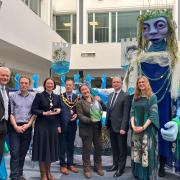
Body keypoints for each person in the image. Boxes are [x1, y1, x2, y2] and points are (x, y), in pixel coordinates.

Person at [123, 9, 180, 176]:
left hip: (165, 103)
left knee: (162, 131)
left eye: (160, 25)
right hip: (141, 104)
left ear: (170, 28)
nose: (153, 32)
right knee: (141, 136)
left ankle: (161, 163)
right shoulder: (138, 59)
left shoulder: (175, 60)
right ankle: (141, 166)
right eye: (146, 28)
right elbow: (131, 88)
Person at [31, 78, 63, 180]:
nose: (50, 85)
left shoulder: (57, 97)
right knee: (42, 150)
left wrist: (60, 110)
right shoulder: (39, 96)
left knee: (49, 150)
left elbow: (60, 112)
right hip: (41, 126)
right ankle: (43, 174)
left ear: (54, 86)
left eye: (52, 83)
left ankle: (49, 172)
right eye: (48, 83)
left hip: (53, 127)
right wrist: (44, 113)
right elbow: (33, 109)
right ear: (44, 85)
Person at [131, 76, 159, 180]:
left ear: (147, 83)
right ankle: (139, 174)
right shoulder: (135, 97)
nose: (141, 84)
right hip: (136, 130)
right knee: (137, 152)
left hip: (147, 130)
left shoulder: (152, 97)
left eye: (143, 82)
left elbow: (153, 115)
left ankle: (146, 176)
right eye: (139, 83)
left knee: (146, 152)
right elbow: (132, 112)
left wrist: (143, 127)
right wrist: (134, 126)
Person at [76, 84, 106, 179]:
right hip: (86, 129)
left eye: (86, 89)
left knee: (98, 148)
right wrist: (91, 120)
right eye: (83, 90)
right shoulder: (80, 102)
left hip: (97, 129)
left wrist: (100, 101)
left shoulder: (96, 99)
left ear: (89, 89)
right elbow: (80, 116)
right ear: (81, 92)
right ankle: (87, 168)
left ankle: (98, 166)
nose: (85, 91)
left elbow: (105, 108)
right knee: (87, 149)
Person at [9, 76, 36, 180]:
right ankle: (14, 176)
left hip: (27, 127)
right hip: (15, 127)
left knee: (23, 153)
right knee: (15, 153)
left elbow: (34, 114)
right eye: (21, 83)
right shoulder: (13, 96)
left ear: (29, 84)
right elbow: (10, 113)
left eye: (26, 83)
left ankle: (19, 174)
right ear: (19, 84)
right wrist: (16, 126)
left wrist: (28, 124)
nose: (23, 85)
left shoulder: (33, 97)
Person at [106, 77, 130, 177]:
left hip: (120, 128)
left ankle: (121, 168)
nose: (115, 84)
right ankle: (115, 165)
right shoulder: (111, 95)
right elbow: (109, 110)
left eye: (117, 82)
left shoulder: (126, 96)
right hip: (111, 126)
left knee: (121, 149)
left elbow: (126, 114)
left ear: (121, 83)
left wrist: (123, 128)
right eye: (114, 82)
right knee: (114, 148)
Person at [59, 79, 79, 175]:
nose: (68, 86)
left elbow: (79, 110)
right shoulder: (60, 97)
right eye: (66, 85)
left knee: (71, 145)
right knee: (62, 145)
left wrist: (77, 115)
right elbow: (57, 113)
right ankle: (62, 165)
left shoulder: (77, 97)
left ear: (73, 86)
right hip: (62, 125)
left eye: (70, 85)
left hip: (72, 125)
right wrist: (58, 125)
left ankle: (70, 164)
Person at [0, 67, 11, 179]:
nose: (5, 77)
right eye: (2, 75)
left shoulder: (6, 89)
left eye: (7, 76)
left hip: (4, 124)